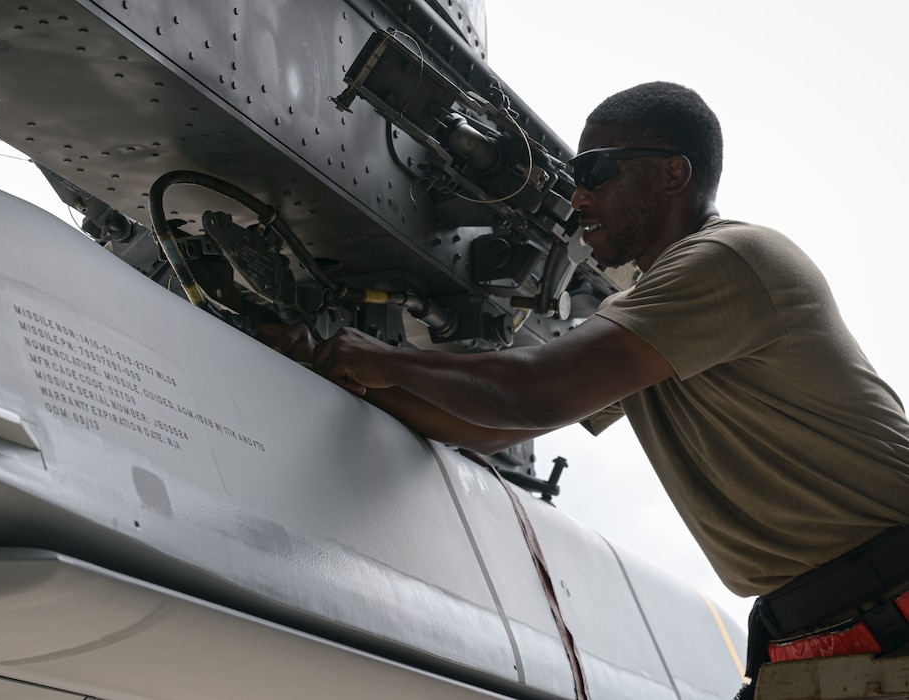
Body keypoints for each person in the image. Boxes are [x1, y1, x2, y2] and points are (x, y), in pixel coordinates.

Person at [267, 82, 909, 698]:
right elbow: (491, 428)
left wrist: (385, 361)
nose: (577, 197)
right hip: (830, 632)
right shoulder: (652, 321)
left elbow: (536, 390)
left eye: (597, 170)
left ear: (673, 174)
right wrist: (332, 374)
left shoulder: (732, 259)